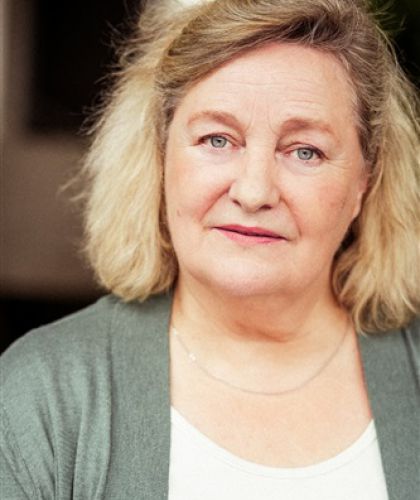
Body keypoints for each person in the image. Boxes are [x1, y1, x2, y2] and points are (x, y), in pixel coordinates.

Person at [1, 0, 419, 498]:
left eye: (305, 151)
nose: (254, 192)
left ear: (364, 182)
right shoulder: (39, 393)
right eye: (218, 140)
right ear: (160, 158)